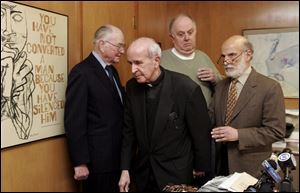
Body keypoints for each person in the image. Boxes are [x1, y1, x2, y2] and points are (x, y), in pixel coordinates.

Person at [118, 37, 212, 192]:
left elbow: (200, 134)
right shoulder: (132, 87)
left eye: (138, 63)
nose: (133, 70)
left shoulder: (186, 87)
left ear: (156, 61)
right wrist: (125, 169)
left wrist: (200, 168)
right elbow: (128, 133)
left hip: (176, 173)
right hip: (143, 173)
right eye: (130, 63)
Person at [210, 35, 286, 178]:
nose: (226, 61)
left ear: (248, 54)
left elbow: (276, 131)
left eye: (232, 55)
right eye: (223, 56)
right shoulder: (221, 86)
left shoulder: (269, 87)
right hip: (220, 167)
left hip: (251, 169)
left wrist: (238, 135)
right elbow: (210, 118)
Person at [64, 24, 125, 192]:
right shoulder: (81, 72)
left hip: (116, 160)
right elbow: (74, 121)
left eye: (123, 46)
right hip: (97, 163)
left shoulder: (113, 71)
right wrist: (80, 162)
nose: (122, 51)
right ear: (102, 44)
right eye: (119, 46)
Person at [161, 13, 222, 106]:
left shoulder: (203, 57)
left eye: (190, 32)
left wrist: (215, 79)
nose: (187, 38)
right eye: (181, 34)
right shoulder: (161, 59)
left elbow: (222, 87)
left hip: (205, 117)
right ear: (172, 38)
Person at [1, 1, 35, 140]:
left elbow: (23, 132)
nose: (8, 31)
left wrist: (12, 91)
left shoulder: (21, 72)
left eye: (17, 18)